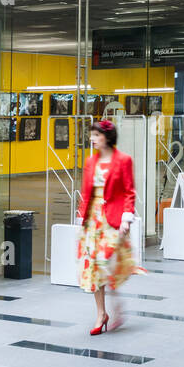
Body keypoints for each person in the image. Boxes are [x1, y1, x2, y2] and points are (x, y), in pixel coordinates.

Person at [77, 119, 144, 334]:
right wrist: (81, 217)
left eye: (96, 135)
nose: (92, 139)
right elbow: (86, 193)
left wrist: (126, 217)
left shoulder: (124, 160)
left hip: (113, 218)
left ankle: (116, 305)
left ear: (107, 137)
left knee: (105, 261)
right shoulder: (90, 162)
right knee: (95, 266)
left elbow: (129, 191)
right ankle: (101, 313)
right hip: (93, 220)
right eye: (92, 135)